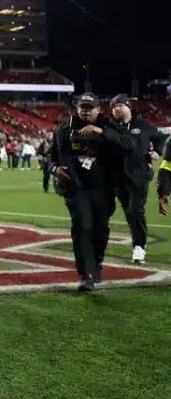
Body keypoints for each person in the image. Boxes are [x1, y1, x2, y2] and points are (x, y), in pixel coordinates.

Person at [49, 93, 135, 292]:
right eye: (83, 108)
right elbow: (50, 157)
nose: (86, 112)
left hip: (104, 188)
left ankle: (96, 264)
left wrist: (101, 132)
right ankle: (86, 274)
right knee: (82, 226)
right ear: (77, 109)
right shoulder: (64, 129)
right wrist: (55, 169)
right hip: (76, 188)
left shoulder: (110, 126)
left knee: (100, 229)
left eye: (90, 108)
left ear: (98, 109)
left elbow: (129, 145)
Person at [108, 94, 165, 264]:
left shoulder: (143, 124)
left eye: (120, 105)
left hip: (139, 174)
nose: (117, 109)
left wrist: (157, 151)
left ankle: (139, 246)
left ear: (128, 107)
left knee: (135, 210)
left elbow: (160, 138)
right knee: (128, 211)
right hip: (117, 176)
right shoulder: (110, 126)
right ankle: (138, 241)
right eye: (114, 107)